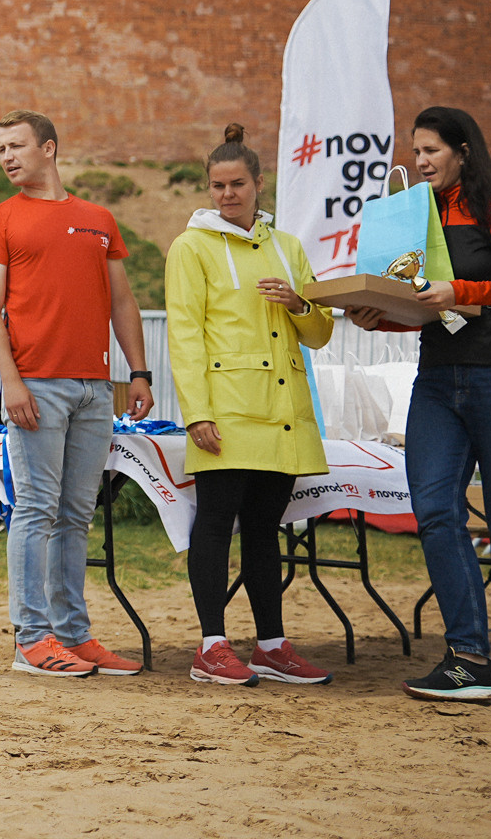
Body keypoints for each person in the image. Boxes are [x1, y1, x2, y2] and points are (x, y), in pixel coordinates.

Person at [346, 106, 491, 702]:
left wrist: (464, 289)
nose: (419, 161)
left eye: (431, 151)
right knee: (436, 513)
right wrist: (382, 319)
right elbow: (429, 307)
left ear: (462, 152)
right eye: (415, 151)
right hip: (437, 381)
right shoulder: (410, 215)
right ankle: (469, 657)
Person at [0, 108, 153, 679]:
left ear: (49, 149)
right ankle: (31, 639)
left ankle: (73, 636)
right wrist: (11, 383)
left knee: (76, 514)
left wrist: (141, 372)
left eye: (17, 146)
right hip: (35, 385)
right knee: (34, 509)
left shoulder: (98, 218)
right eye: (1, 148)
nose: (6, 156)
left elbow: (121, 302)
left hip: (95, 388)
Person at [165, 123, 335, 687]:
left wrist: (298, 301)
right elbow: (185, 335)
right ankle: (211, 645)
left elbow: (319, 334)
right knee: (214, 524)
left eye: (237, 183)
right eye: (217, 185)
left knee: (265, 529)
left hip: (283, 415)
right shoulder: (191, 247)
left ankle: (271, 644)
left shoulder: (287, 247)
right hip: (227, 412)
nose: (226, 194)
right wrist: (197, 412)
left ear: (260, 184)